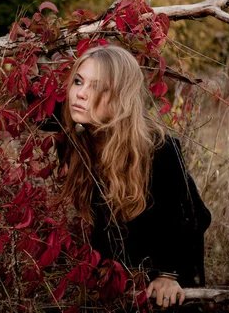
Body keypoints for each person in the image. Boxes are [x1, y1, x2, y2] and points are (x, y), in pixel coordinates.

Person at [58, 45, 211, 309]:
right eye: (78, 81)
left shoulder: (159, 149)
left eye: (99, 87)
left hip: (166, 280)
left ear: (121, 97)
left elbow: (191, 218)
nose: (80, 94)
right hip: (113, 278)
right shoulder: (80, 138)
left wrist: (168, 274)